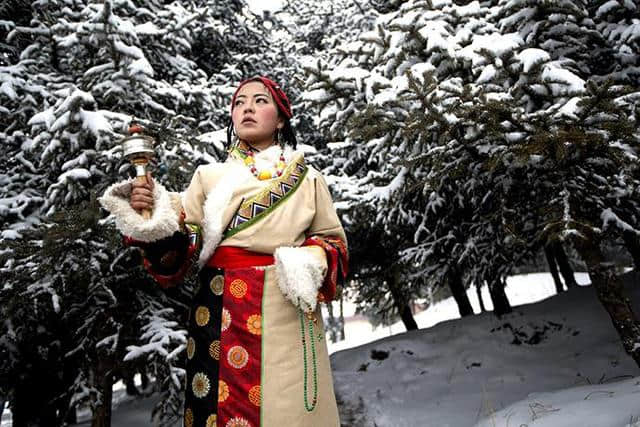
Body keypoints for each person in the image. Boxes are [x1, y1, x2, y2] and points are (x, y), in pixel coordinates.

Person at [99, 76, 348, 427]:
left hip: (287, 305)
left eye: (260, 101)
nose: (246, 107)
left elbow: (333, 242)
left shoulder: (308, 179)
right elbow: (180, 250)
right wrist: (153, 215)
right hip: (218, 310)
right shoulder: (208, 177)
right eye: (238, 102)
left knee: (289, 412)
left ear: (280, 118)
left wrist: (309, 260)